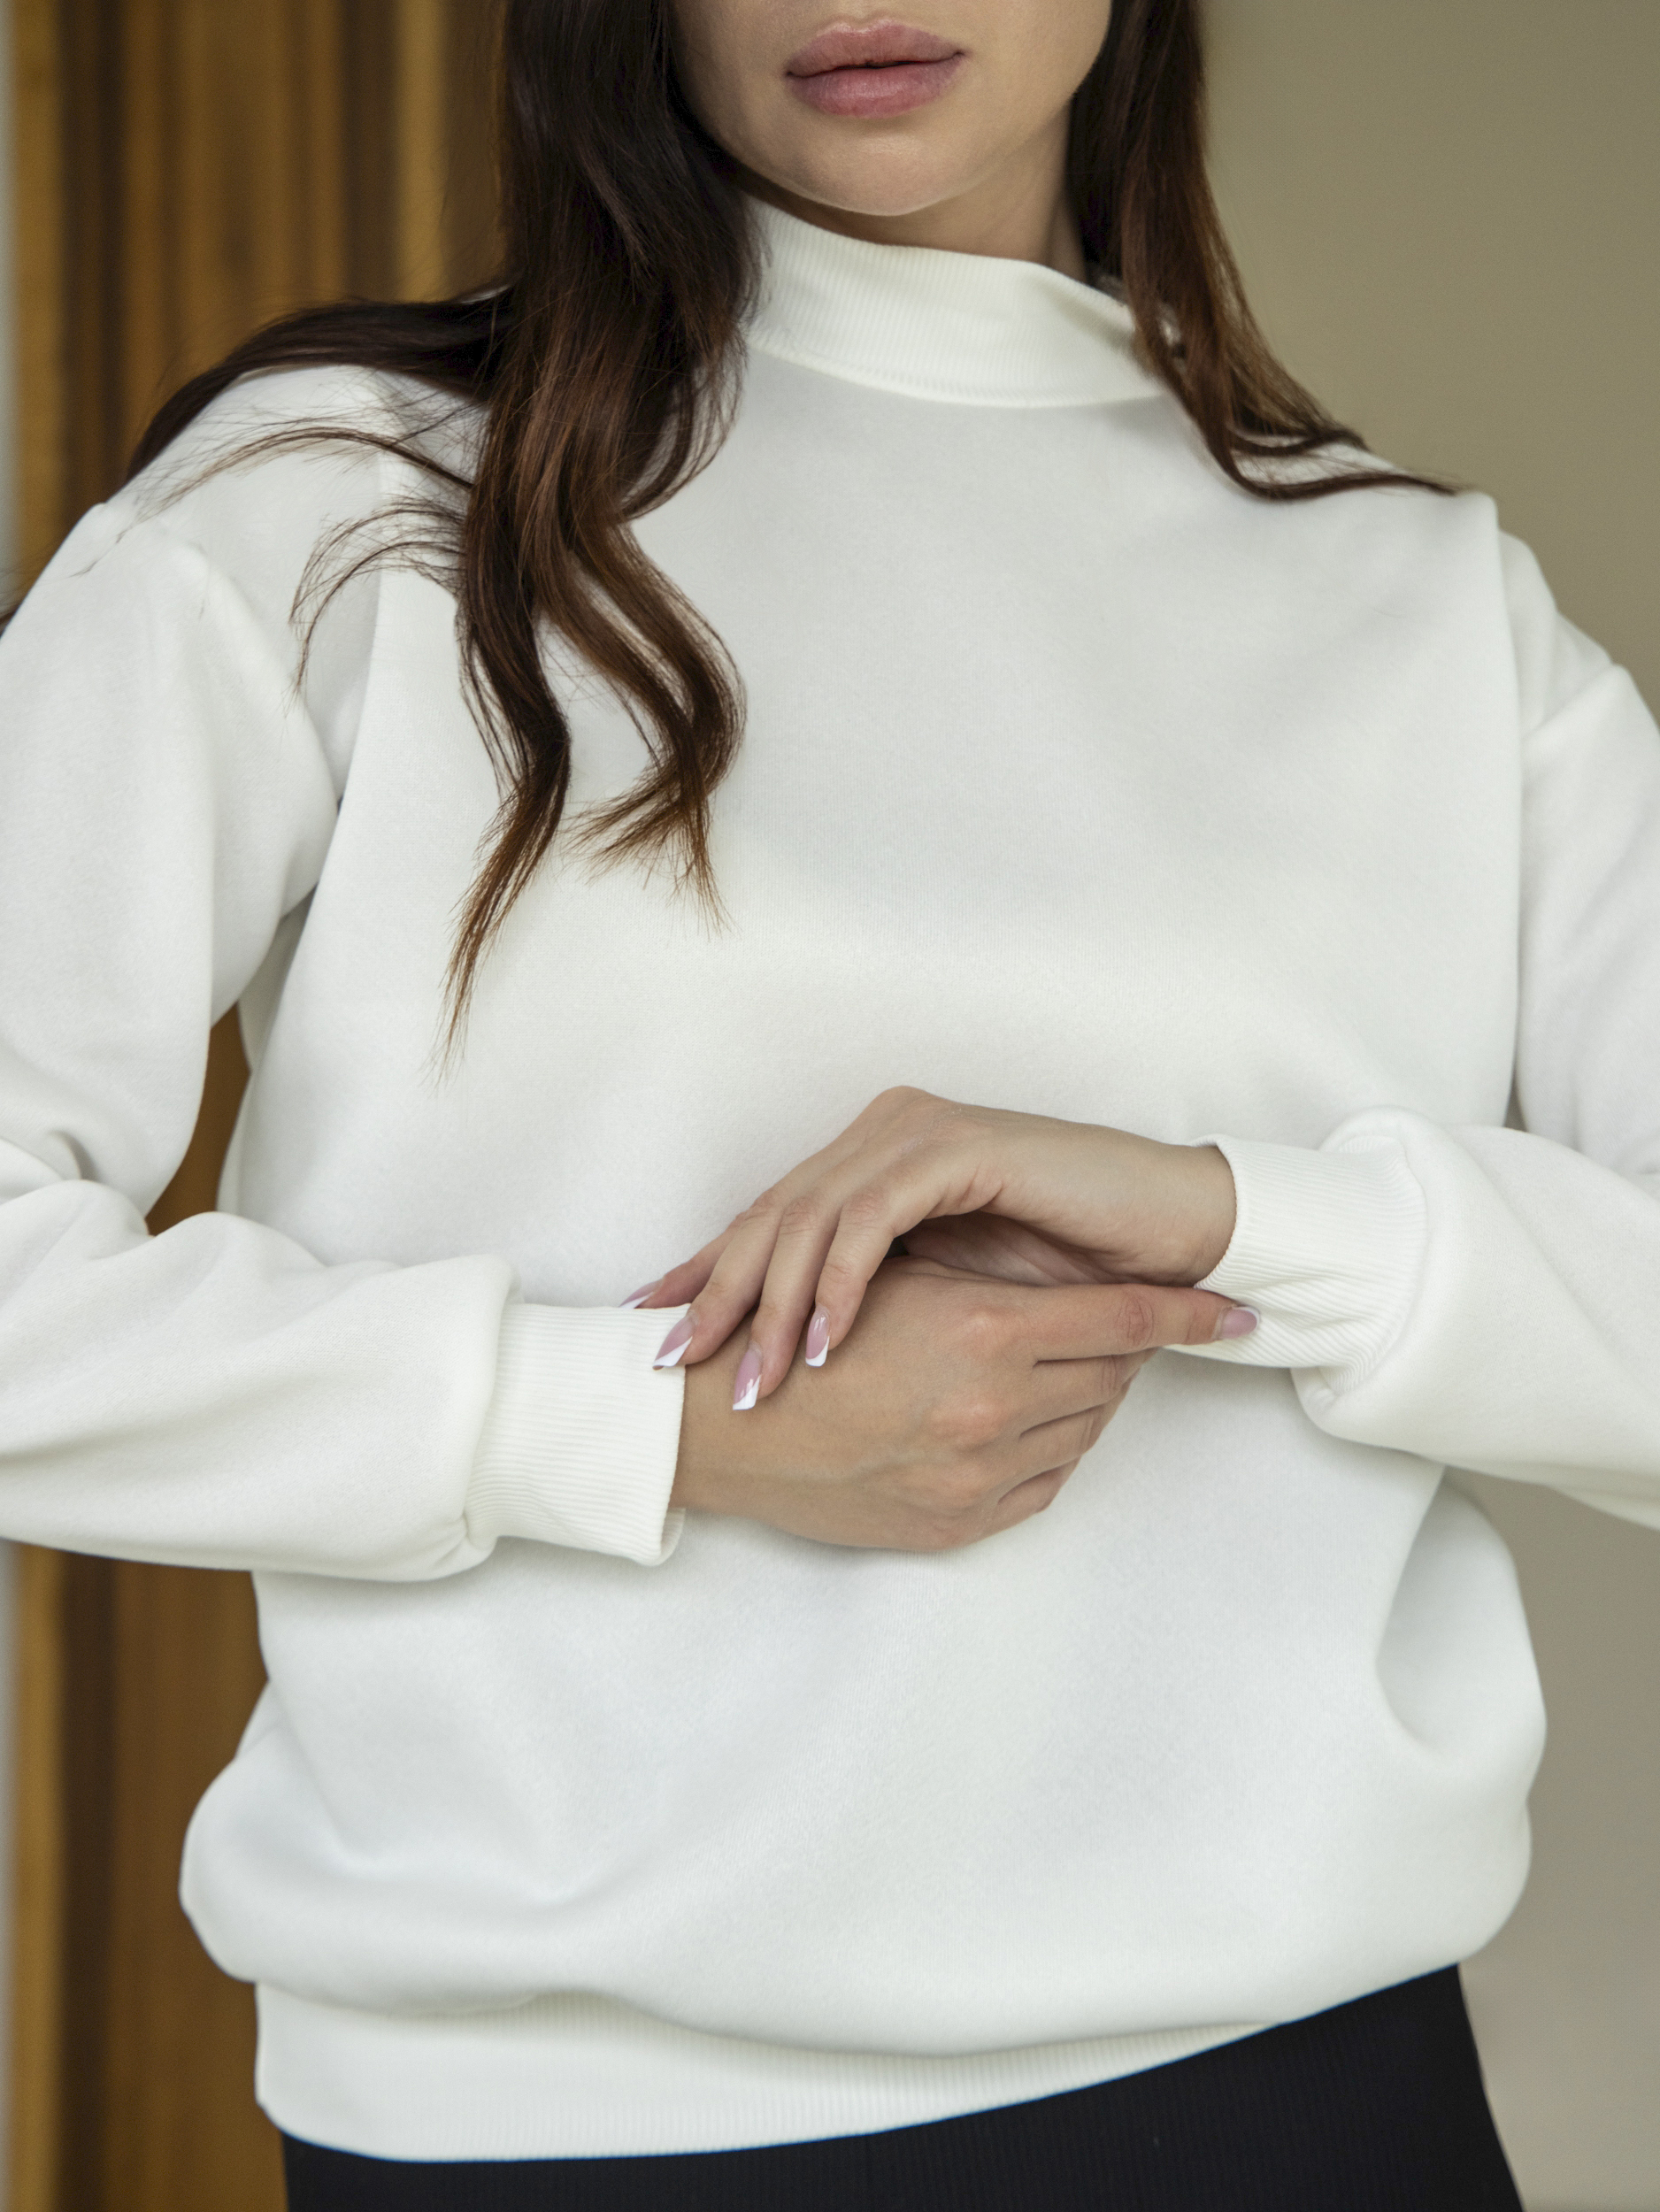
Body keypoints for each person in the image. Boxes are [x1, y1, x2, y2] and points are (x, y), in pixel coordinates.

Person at [3, 0, 1656, 2204]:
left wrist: (1229, 1215)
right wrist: (649, 1421)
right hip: (557, 2132)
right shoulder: (345, 497)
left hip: (1318, 2091)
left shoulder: (1423, 601)